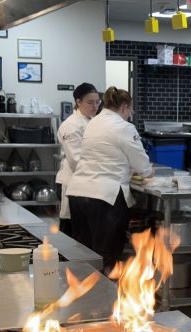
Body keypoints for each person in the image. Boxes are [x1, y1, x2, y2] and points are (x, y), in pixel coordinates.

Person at [66, 86, 153, 273]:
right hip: (105, 197)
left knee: (85, 256)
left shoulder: (93, 122)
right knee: (107, 256)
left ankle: (84, 298)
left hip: (78, 194)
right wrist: (148, 171)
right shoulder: (124, 127)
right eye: (130, 110)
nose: (131, 114)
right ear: (124, 107)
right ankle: (104, 299)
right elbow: (143, 166)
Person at [55, 83, 99, 236]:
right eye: (90, 102)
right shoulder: (71, 125)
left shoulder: (91, 121)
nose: (95, 106)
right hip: (72, 181)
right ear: (78, 102)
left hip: (85, 181)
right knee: (72, 229)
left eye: (97, 102)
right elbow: (75, 160)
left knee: (84, 229)